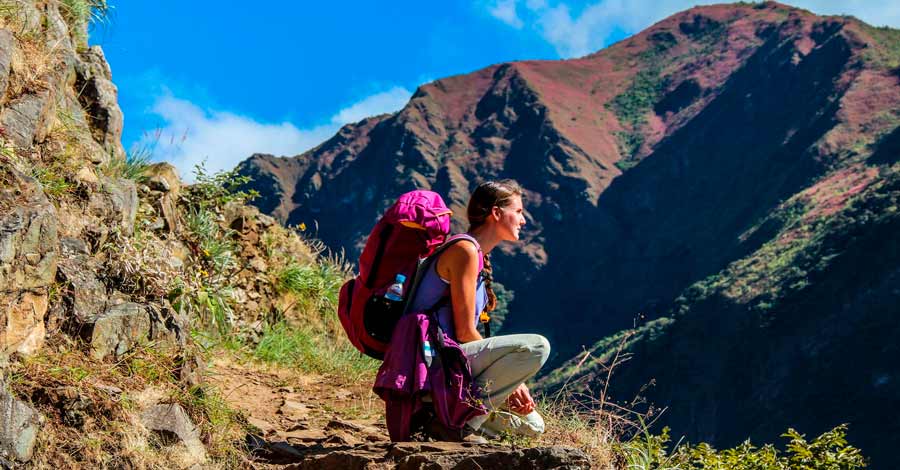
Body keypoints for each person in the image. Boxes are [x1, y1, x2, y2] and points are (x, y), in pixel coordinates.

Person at [407, 179, 551, 438]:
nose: (523, 220)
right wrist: (514, 383)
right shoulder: (464, 251)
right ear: (496, 213)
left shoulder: (477, 255)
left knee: (533, 427)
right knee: (537, 347)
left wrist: (510, 383)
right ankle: (459, 426)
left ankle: (439, 415)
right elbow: (463, 333)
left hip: (452, 362)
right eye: (518, 211)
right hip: (434, 364)